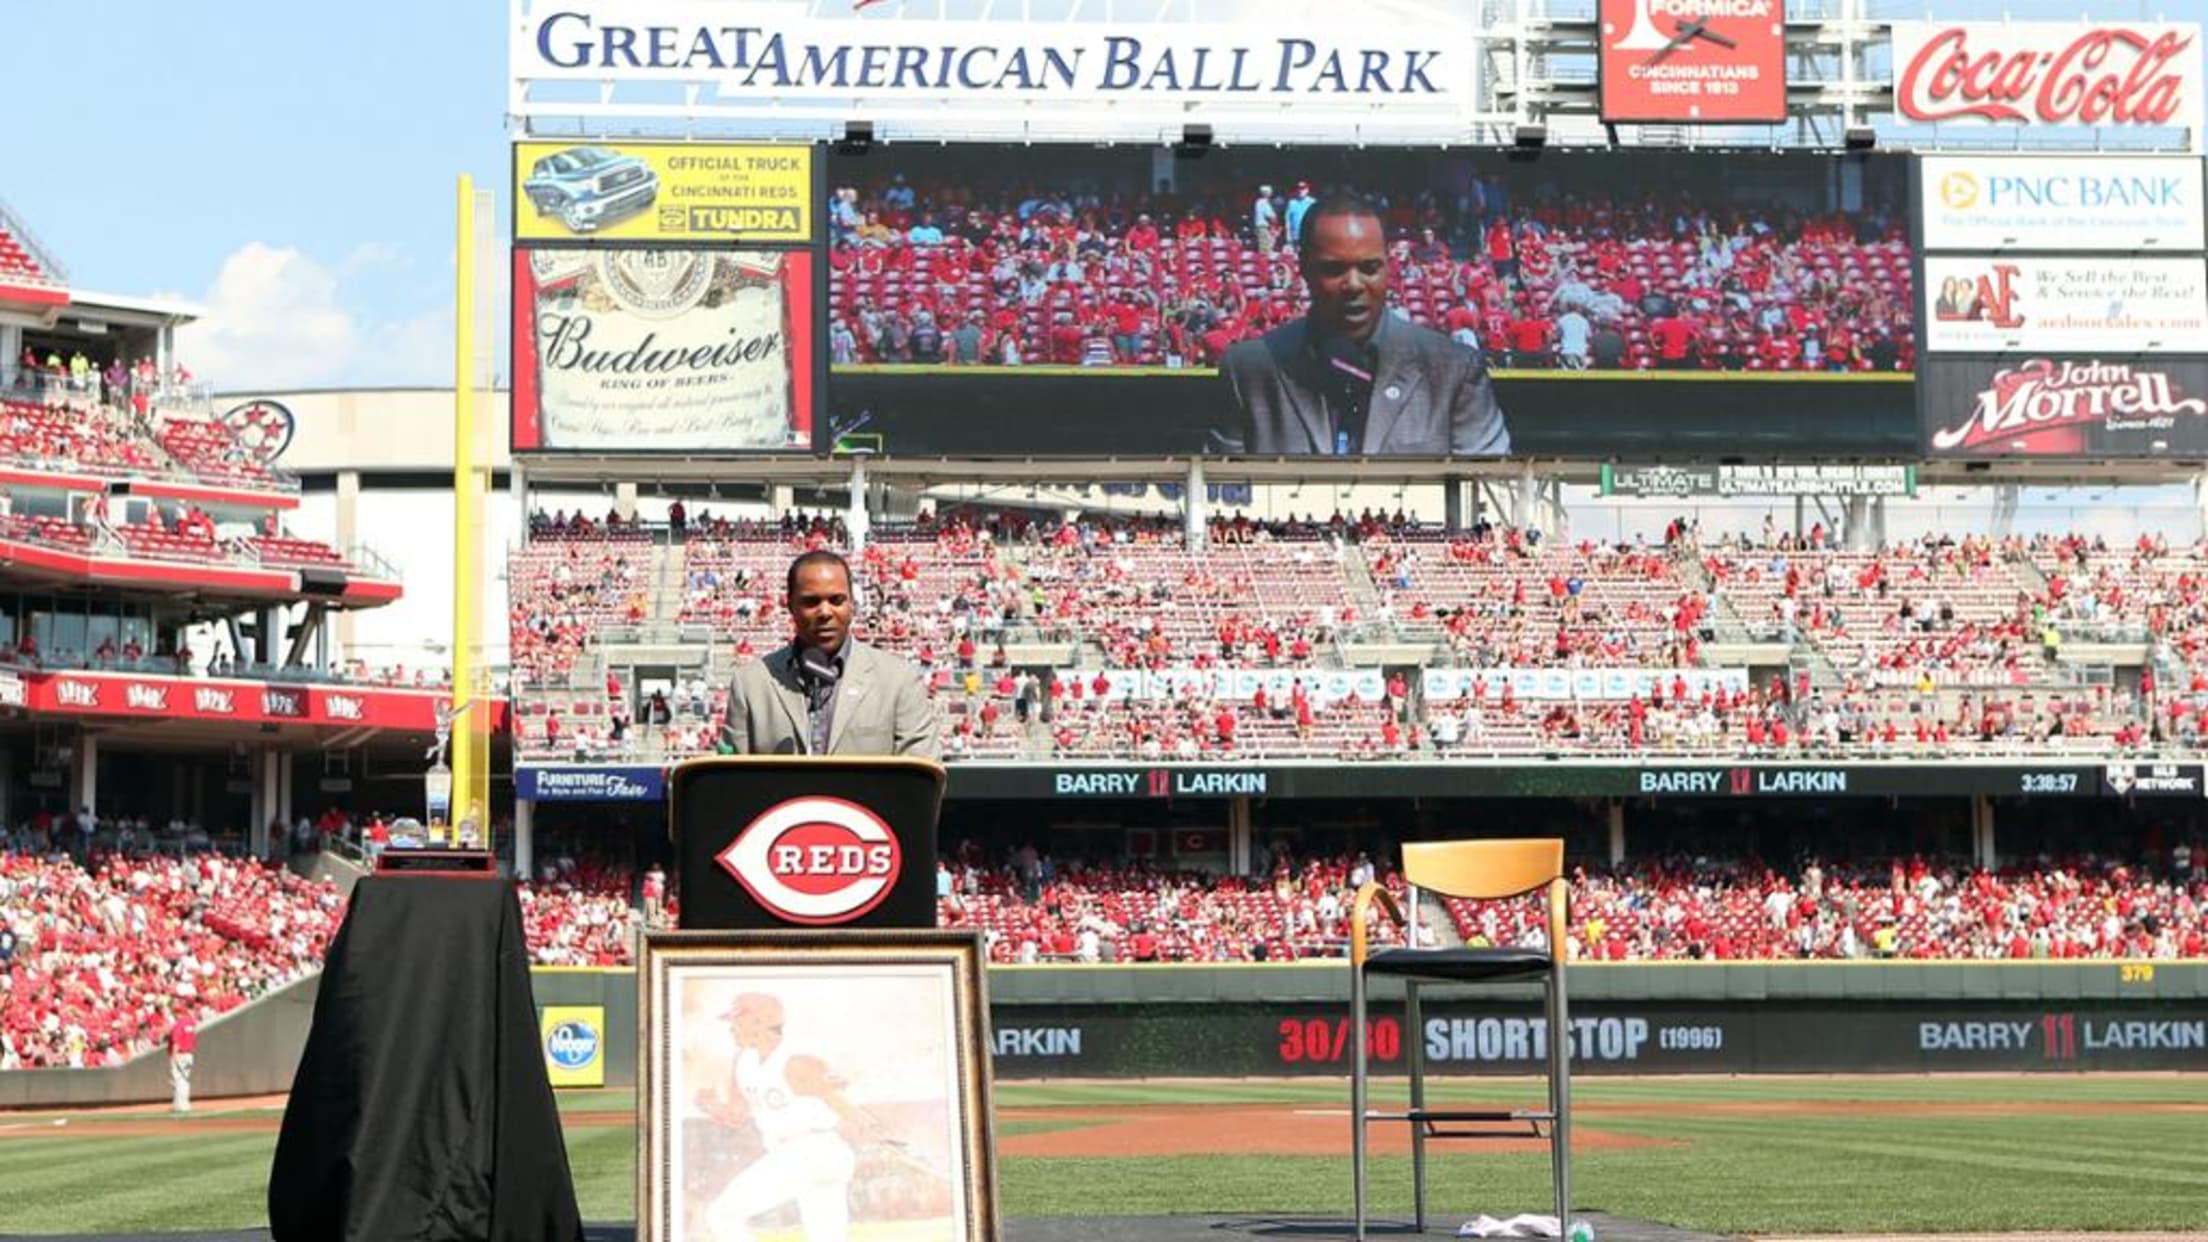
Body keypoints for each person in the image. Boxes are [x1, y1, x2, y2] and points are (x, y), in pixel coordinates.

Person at [1212, 193, 1510, 457]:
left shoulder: (1454, 370)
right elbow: (1220, 496)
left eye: (1369, 268)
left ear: (1388, 267)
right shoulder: (1248, 371)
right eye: (1334, 269)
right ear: (1303, 268)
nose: (1354, 285)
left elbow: (1491, 493)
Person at [696, 991, 880, 1242]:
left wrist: (867, 1125)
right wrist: (711, 1106)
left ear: (760, 1021)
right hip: (806, 1154)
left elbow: (840, 1102)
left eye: (737, 1020)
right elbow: (737, 1116)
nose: (731, 1028)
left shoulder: (796, 1059)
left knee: (721, 1215)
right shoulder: (743, 1060)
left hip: (809, 1150)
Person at [721, 551, 940, 758]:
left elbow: (920, 778)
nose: (825, 612)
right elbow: (731, 782)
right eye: (811, 602)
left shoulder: (898, 680)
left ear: (852, 604)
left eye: (836, 600)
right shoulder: (751, 684)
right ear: (790, 605)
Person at [169, 1010, 197, 1114]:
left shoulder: (178, 1025)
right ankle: (183, 1104)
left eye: (175, 1013)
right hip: (189, 1054)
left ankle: (180, 1106)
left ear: (178, 1014)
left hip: (180, 1054)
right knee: (184, 1080)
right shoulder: (190, 1023)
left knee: (178, 1080)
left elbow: (176, 1042)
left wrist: (173, 1056)